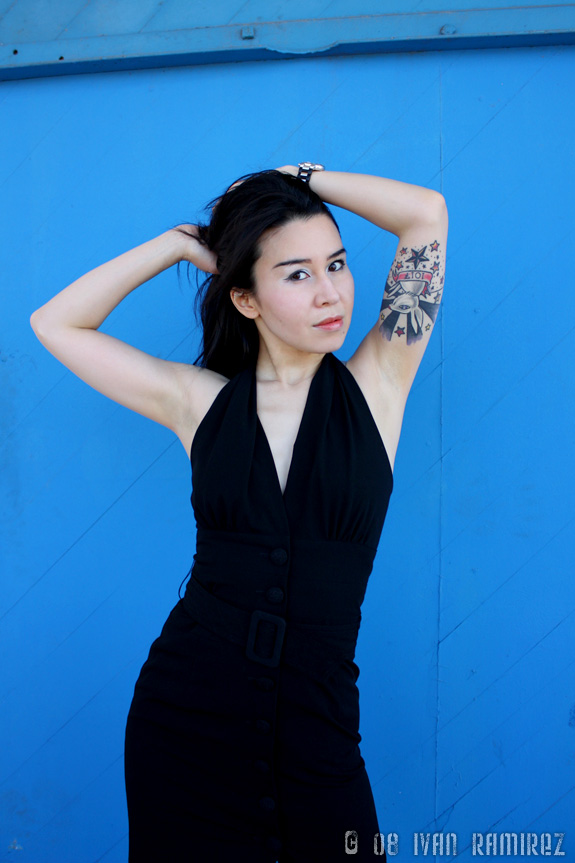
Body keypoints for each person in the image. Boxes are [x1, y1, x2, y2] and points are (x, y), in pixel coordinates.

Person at [30, 163, 448, 862]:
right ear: (245, 299)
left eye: (336, 264)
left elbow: (425, 215)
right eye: (296, 274)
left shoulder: (379, 382)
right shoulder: (199, 404)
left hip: (319, 726)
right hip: (186, 722)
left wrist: (300, 175)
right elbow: (56, 322)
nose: (330, 292)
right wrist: (173, 245)